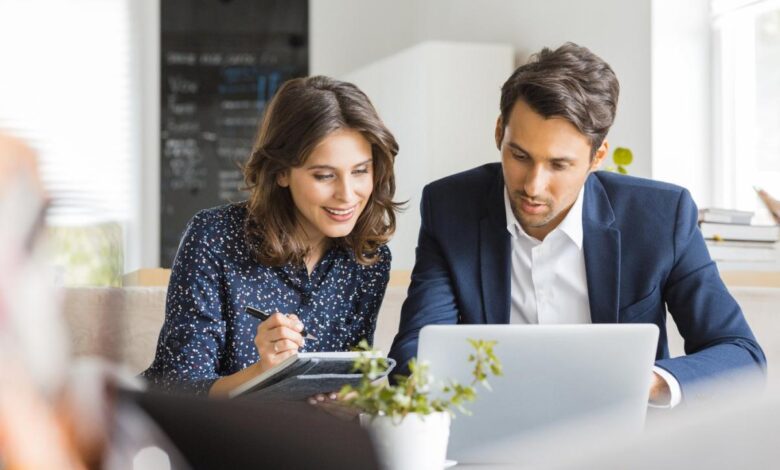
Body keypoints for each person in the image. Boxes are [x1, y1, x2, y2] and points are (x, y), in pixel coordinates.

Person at [388, 43, 766, 407]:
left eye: (559, 165)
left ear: (597, 156)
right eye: (519, 155)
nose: (533, 186)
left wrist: (643, 383)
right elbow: (414, 354)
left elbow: (741, 354)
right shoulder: (451, 206)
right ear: (499, 131)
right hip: (493, 440)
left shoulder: (661, 217)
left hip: (621, 443)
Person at [144, 76, 402, 396]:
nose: (347, 195)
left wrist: (344, 403)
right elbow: (177, 389)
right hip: (207, 436)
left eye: (361, 171)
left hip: (300, 440)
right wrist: (263, 372)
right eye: (324, 175)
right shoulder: (213, 238)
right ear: (281, 172)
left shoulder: (369, 259)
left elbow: (347, 382)